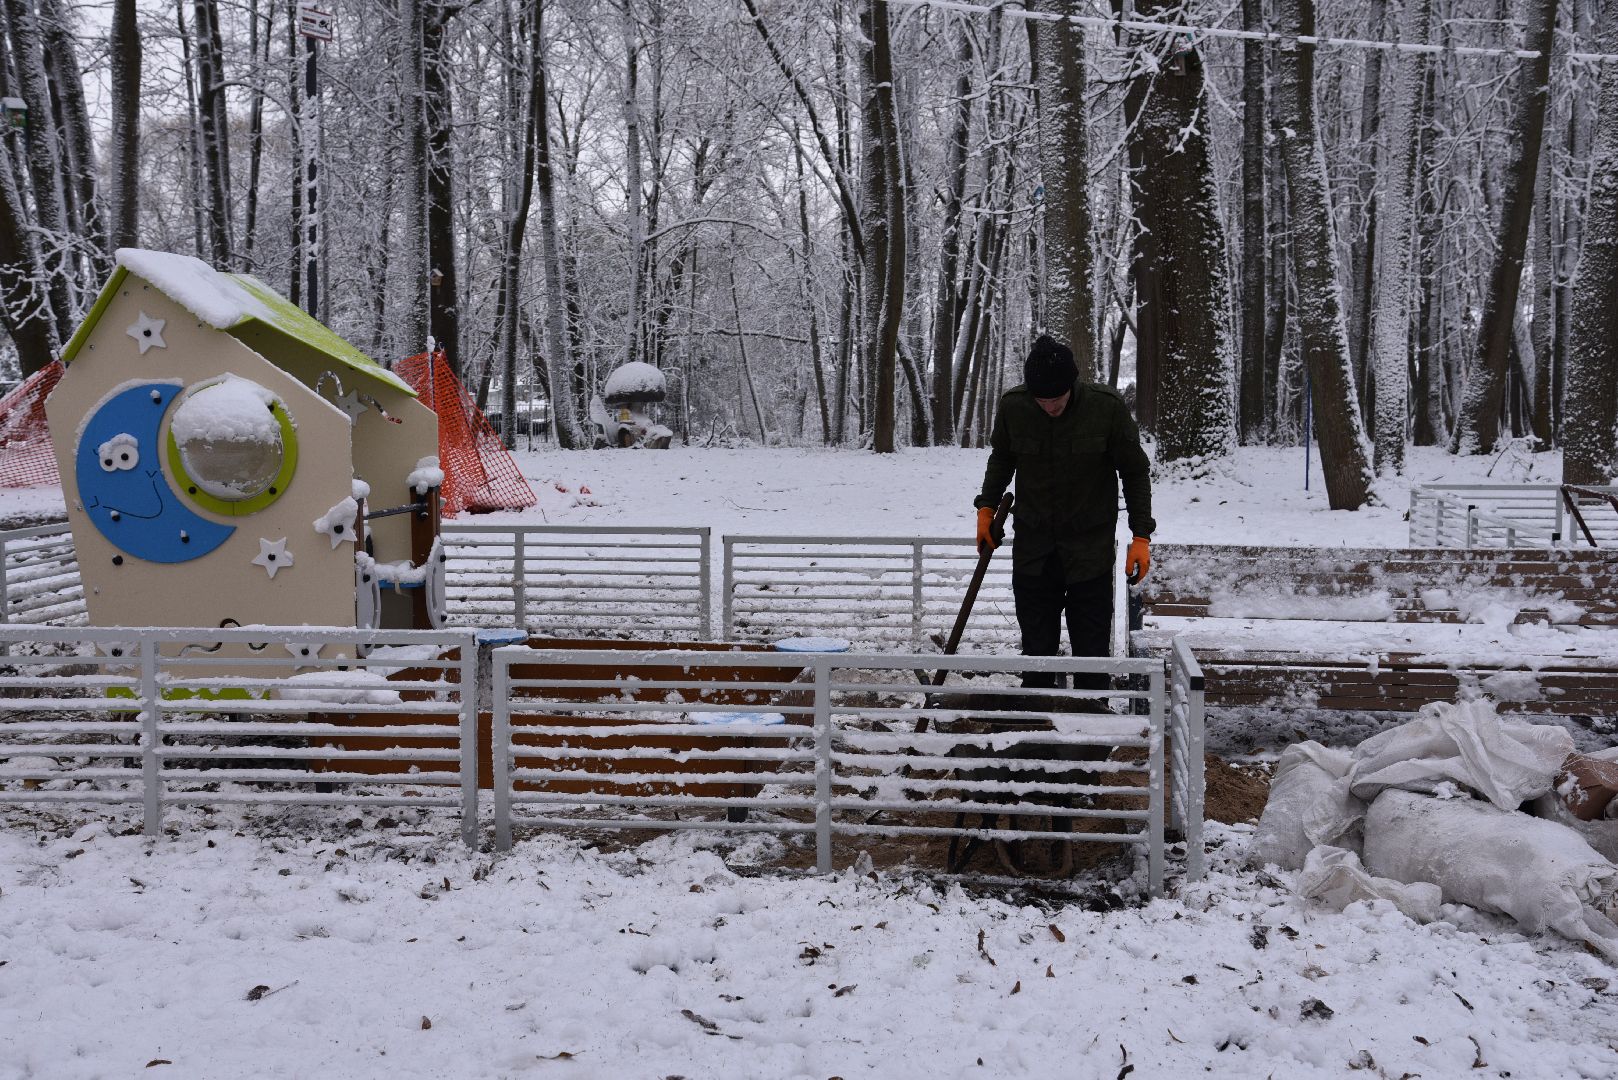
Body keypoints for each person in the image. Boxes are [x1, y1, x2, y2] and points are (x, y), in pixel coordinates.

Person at [974, 335, 1154, 691]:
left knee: (1091, 656)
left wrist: (1141, 535)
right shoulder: (1015, 407)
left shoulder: (1105, 409)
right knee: (1036, 655)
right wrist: (986, 507)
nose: (1049, 407)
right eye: (1041, 400)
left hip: (1090, 552)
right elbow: (1002, 458)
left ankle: (1091, 719)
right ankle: (1038, 717)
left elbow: (1135, 471)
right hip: (1034, 552)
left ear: (1072, 385)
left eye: (1056, 399)